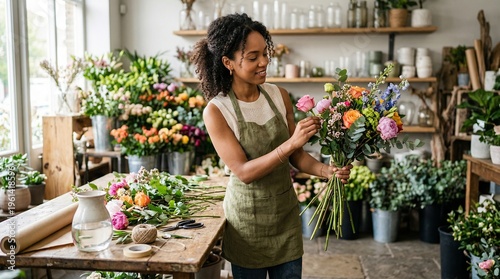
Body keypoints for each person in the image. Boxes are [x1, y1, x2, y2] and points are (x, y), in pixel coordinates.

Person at [191, 13, 352, 279]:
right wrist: (290, 144)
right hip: (247, 223)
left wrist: (327, 171)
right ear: (228, 62)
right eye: (252, 57)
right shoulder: (217, 110)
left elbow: (297, 156)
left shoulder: (279, 96)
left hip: (285, 217)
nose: (264, 62)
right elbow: (243, 171)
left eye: (265, 53)